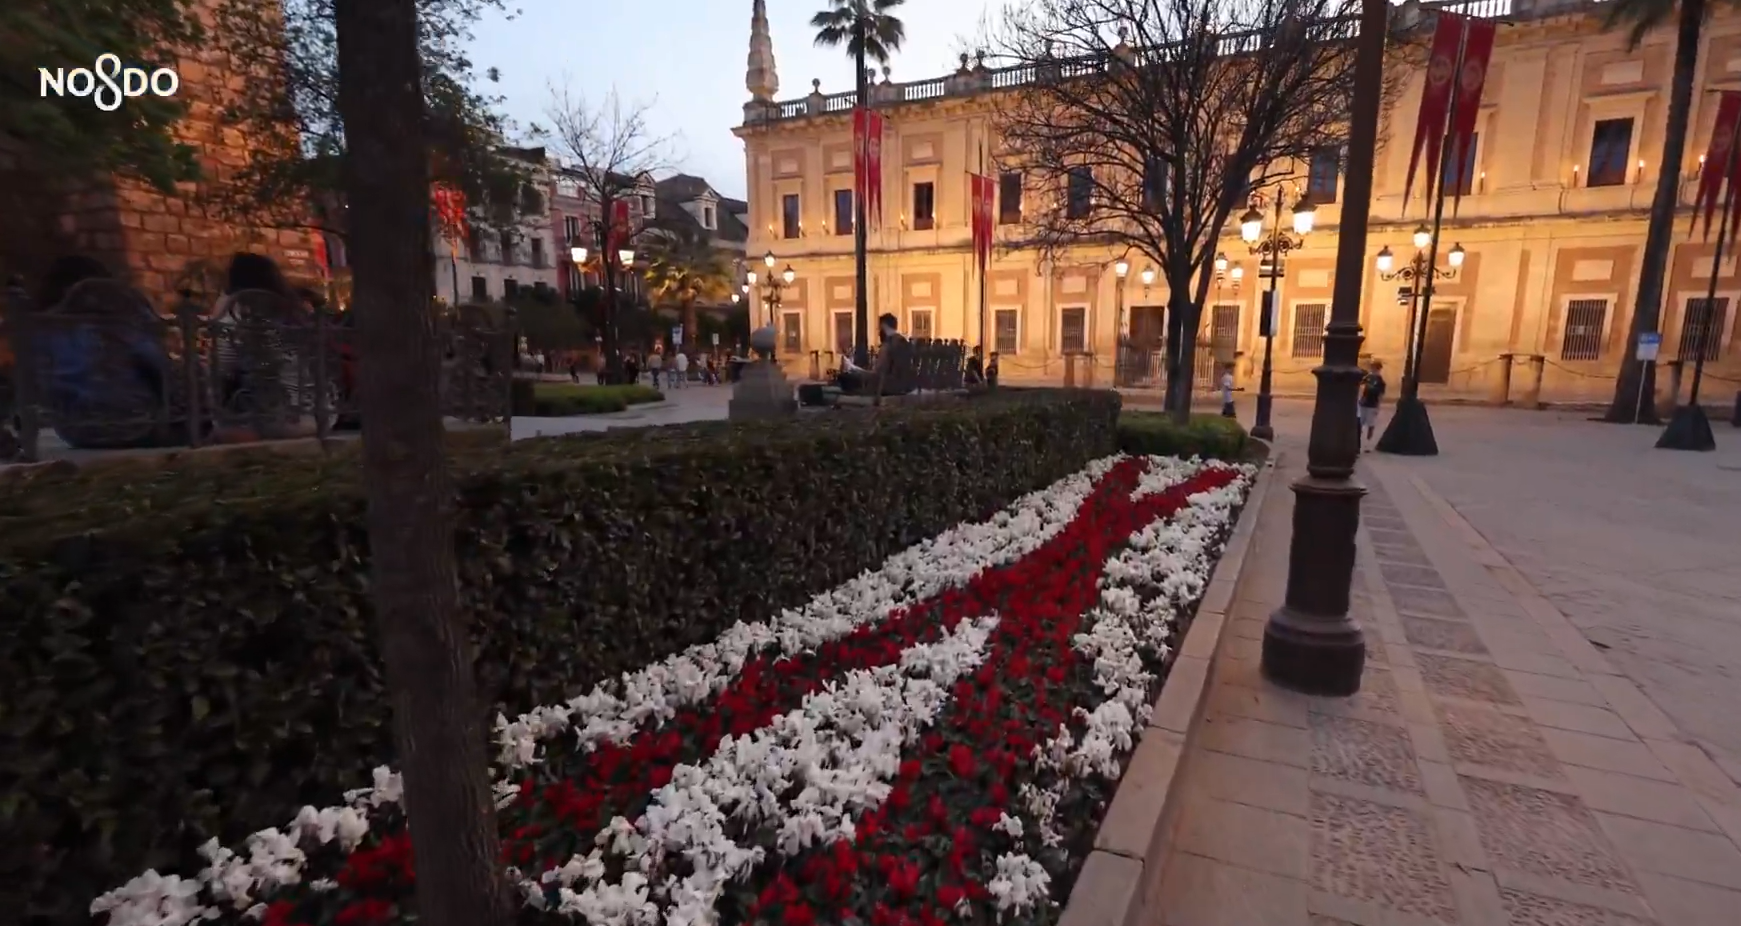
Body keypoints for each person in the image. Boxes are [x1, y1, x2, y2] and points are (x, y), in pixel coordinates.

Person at [837, 313, 914, 402]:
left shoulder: (888, 345)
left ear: (884, 326)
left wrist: (854, 369)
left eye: (879, 328)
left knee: (844, 378)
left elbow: (878, 374)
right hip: (903, 385)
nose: (878, 332)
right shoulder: (903, 342)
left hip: (888, 386)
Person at [1359, 359, 1387, 448]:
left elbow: (1381, 394)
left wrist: (1378, 406)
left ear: (1379, 369)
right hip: (1363, 403)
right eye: (1372, 367)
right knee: (1360, 423)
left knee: (1370, 425)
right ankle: (1358, 441)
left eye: (1374, 368)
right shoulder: (1368, 377)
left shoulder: (1380, 381)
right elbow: (1360, 385)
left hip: (1372, 404)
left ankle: (1368, 443)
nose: (1373, 369)